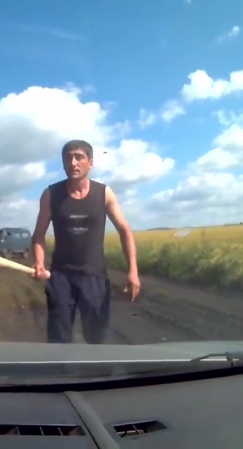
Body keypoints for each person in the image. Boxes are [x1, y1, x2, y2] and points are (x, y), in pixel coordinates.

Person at [30, 139, 141, 344]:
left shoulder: (104, 193)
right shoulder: (51, 194)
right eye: (68, 158)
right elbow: (38, 236)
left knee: (98, 339)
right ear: (63, 163)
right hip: (61, 278)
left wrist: (132, 271)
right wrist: (39, 262)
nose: (73, 163)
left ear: (90, 163)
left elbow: (124, 230)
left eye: (79, 157)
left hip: (94, 277)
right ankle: (61, 366)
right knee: (59, 340)